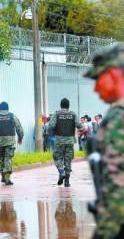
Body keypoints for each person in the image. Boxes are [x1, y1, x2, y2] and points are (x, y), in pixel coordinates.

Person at [84, 42, 124, 238]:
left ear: (114, 74)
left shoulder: (119, 118)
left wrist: (105, 233)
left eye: (98, 78)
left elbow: (116, 190)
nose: (95, 88)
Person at [48, 98, 83, 187]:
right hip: (70, 140)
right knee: (68, 160)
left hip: (59, 140)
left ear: (61, 105)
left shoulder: (56, 114)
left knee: (57, 157)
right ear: (68, 105)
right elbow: (79, 125)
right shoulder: (73, 114)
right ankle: (67, 181)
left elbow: (51, 125)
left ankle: (61, 171)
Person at [0, 101, 23, 185]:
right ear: (8, 108)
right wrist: (20, 138)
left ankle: (3, 177)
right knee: (8, 158)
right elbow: (19, 128)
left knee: (1, 158)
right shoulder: (12, 116)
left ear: (0, 108)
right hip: (10, 141)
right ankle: (7, 179)